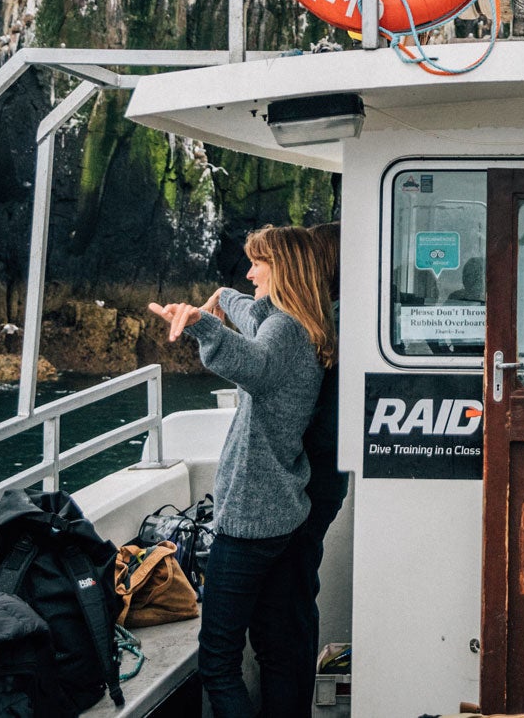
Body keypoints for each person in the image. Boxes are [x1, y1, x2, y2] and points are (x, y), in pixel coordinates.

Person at [149, 225, 333, 718]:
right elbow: (256, 317)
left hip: (249, 522)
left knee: (219, 665)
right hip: (280, 516)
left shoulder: (285, 333)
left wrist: (199, 324)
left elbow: (253, 360)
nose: (249, 272)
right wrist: (221, 298)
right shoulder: (301, 324)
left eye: (258, 264)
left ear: (285, 270)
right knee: (275, 650)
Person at [246, 221, 349, 718]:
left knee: (284, 611)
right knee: (292, 600)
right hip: (322, 482)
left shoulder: (326, 327)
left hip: (311, 484)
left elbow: (319, 425)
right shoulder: (332, 322)